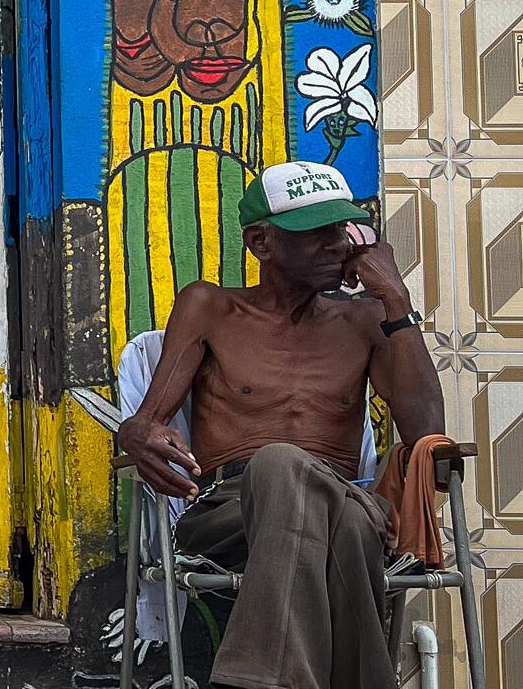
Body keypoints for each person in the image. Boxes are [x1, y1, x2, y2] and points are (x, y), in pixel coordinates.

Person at [117, 160, 445, 689]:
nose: (337, 245)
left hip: (346, 504)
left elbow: (426, 434)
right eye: (316, 234)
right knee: (284, 466)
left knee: (327, 502)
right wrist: (134, 432)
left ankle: (254, 679)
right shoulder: (211, 307)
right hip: (229, 511)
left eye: (342, 230)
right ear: (261, 243)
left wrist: (396, 302)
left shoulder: (366, 320)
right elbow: (147, 422)